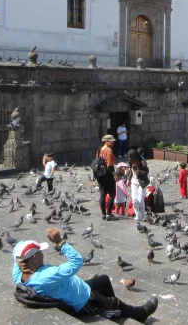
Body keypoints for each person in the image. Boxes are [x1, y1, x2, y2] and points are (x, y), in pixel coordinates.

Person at [12, 228, 158, 322]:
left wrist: (22, 259)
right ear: (33, 258)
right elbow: (76, 261)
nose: (42, 253)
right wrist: (60, 242)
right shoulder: (46, 276)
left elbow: (17, 253)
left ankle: (111, 309)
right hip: (84, 300)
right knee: (116, 304)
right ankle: (139, 313)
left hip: (78, 288)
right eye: (39, 252)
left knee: (104, 280)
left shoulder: (19, 274)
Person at [96, 135, 116, 220]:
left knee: (102, 194)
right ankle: (108, 214)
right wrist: (115, 175)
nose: (113, 142)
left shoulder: (99, 150)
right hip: (108, 175)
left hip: (100, 175)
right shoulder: (109, 150)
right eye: (111, 141)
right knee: (112, 194)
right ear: (106, 141)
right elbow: (110, 165)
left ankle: (103, 214)